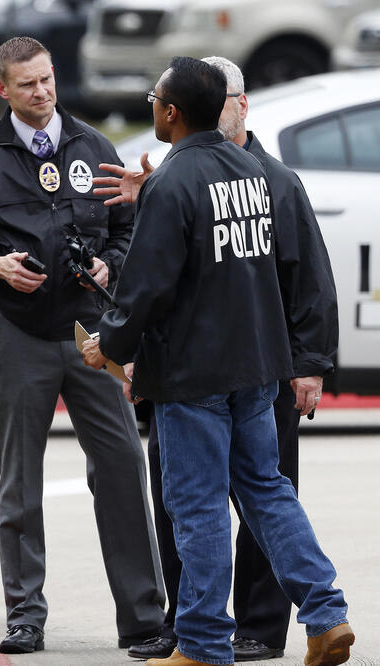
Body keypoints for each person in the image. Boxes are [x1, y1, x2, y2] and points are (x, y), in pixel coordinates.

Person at [81, 56, 353, 666]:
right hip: (257, 368)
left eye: (154, 96)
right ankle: (326, 615)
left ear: (171, 113)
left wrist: (111, 344)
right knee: (268, 491)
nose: (150, 103)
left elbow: (147, 287)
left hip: (194, 375)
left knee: (197, 505)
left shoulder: (174, 183)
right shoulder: (249, 172)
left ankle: (201, 644)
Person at [0, 35, 165, 654]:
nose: (43, 92)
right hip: (17, 333)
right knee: (19, 480)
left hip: (93, 331)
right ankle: (25, 613)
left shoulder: (95, 145)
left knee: (120, 468)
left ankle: (143, 616)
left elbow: (127, 226)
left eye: (48, 79)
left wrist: (112, 265)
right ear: (3, 89)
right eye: (28, 84)